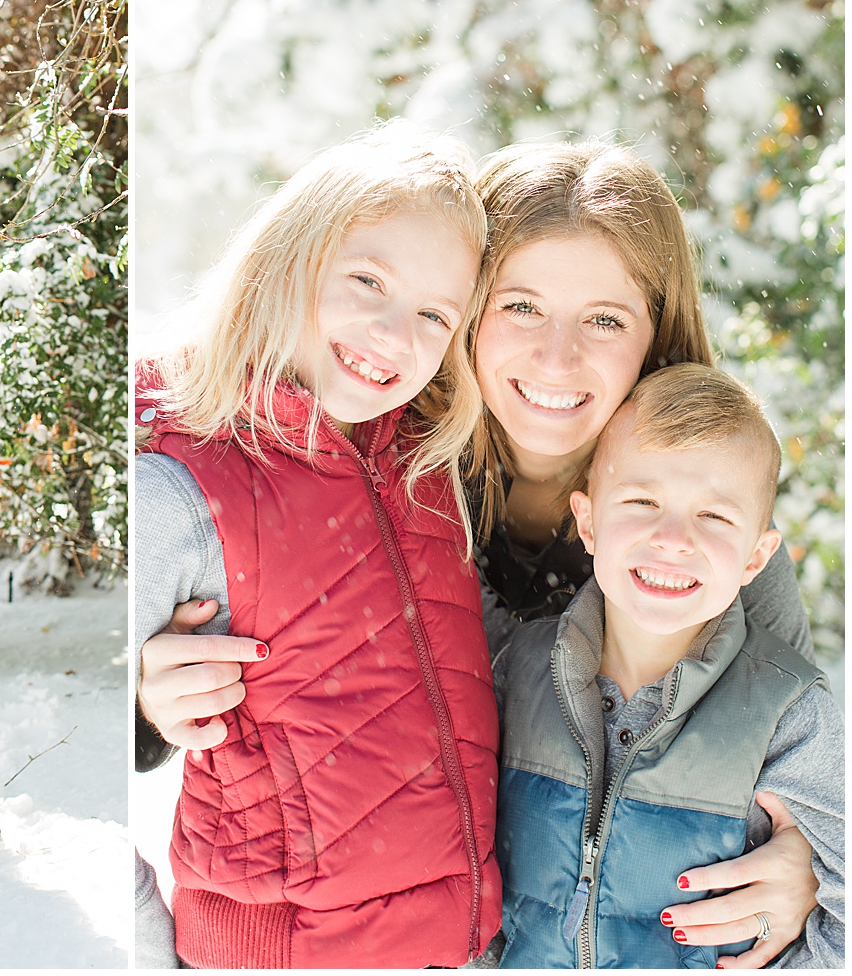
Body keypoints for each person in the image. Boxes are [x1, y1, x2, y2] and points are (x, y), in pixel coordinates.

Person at [138, 141, 823, 967]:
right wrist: (150, 700)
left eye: (605, 320)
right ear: (463, 310)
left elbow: (791, 752)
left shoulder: (703, 530)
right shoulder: (383, 479)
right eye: (520, 307)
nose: (556, 358)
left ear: (656, 336)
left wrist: (809, 859)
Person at [135, 126, 499, 968]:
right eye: (367, 280)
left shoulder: (431, 461)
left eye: (435, 315)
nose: (394, 333)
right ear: (289, 260)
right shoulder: (182, 483)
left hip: (452, 948)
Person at [493, 363, 843, 968]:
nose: (674, 538)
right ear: (588, 522)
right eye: (643, 500)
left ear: (757, 557)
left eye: (714, 516)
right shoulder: (516, 671)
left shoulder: (787, 709)